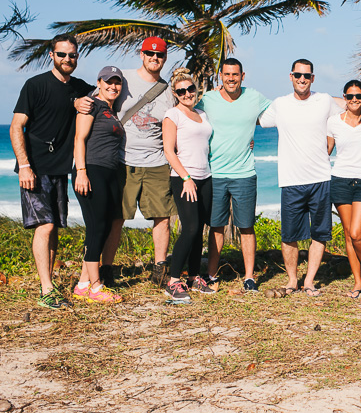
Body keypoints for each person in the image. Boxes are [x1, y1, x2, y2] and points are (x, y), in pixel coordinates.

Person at [10, 33, 94, 309]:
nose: (67, 59)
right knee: (44, 225)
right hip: (34, 167)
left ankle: (51, 282)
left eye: (72, 55)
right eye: (62, 54)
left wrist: (81, 103)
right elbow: (16, 126)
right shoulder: (34, 86)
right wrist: (24, 166)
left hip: (60, 169)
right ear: (51, 55)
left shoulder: (79, 87)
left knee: (55, 226)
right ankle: (46, 289)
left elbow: (107, 91)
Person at [258, 59, 345, 296]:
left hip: (320, 178)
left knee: (319, 233)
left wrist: (330, 146)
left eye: (306, 75)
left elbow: (348, 112)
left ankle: (309, 281)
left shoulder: (324, 100)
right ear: (291, 76)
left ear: (313, 78)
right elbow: (253, 119)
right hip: (291, 180)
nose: (302, 79)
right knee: (289, 235)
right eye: (298, 75)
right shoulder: (279, 105)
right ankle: (292, 280)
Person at [100, 37, 177, 288]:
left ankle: (159, 268)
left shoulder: (168, 91)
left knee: (162, 217)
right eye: (150, 54)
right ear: (141, 54)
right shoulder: (124, 79)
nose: (155, 58)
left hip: (156, 162)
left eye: (160, 55)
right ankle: (107, 269)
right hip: (124, 161)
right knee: (116, 218)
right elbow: (98, 101)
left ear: (165, 58)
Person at [196, 58, 271, 292]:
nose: (231, 78)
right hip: (215, 174)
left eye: (235, 75)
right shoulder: (207, 99)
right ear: (221, 76)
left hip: (245, 174)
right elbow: (189, 120)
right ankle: (211, 275)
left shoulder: (254, 97)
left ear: (243, 76)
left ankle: (249, 277)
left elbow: (282, 113)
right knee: (217, 227)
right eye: (227, 74)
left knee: (246, 226)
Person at [72, 66, 126, 304]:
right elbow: (79, 139)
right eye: (108, 82)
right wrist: (82, 172)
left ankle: (83, 283)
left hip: (109, 172)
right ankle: (95, 286)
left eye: (117, 82)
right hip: (91, 169)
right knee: (97, 226)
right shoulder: (90, 105)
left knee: (104, 227)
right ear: (99, 82)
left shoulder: (110, 110)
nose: (113, 86)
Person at [162, 68, 215, 300]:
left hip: (206, 177)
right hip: (184, 179)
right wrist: (186, 178)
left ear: (196, 89)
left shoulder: (203, 114)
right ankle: (173, 281)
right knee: (190, 228)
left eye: (190, 89)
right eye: (181, 91)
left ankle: (194, 277)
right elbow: (169, 151)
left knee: (200, 229)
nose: (187, 94)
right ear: (175, 93)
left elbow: (207, 143)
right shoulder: (172, 115)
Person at [327, 80, 361, 298]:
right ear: (344, 98)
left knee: (357, 232)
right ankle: (358, 282)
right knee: (349, 234)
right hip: (340, 180)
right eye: (350, 96)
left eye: (358, 96)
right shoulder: (333, 122)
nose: (354, 100)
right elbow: (326, 151)